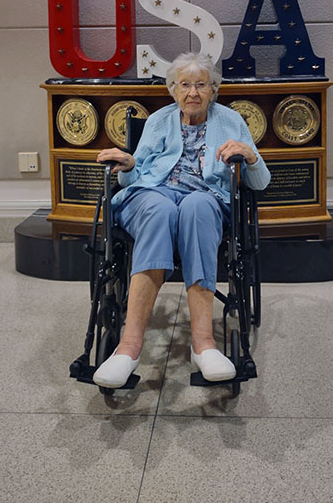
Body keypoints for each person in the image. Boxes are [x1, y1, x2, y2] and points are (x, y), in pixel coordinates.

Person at [93, 52, 271, 388]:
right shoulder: (159, 120)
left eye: (201, 85)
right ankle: (128, 348)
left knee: (197, 207)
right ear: (173, 90)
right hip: (154, 196)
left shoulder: (232, 121)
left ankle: (203, 345)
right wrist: (130, 164)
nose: (192, 92)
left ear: (213, 90)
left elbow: (260, 183)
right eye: (185, 85)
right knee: (161, 210)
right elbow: (135, 178)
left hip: (205, 198)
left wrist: (251, 156)